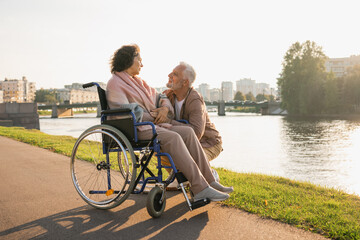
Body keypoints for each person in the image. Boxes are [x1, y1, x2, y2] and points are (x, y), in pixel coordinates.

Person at [106, 44, 233, 202]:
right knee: (173, 138)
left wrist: (164, 110)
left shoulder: (139, 82)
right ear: (129, 59)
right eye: (139, 59)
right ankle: (200, 188)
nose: (142, 64)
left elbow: (161, 97)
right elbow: (126, 113)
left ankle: (210, 181)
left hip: (150, 125)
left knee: (188, 132)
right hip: (135, 129)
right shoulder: (115, 83)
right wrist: (154, 116)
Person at [164, 62, 223, 185]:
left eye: (175, 74)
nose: (169, 75)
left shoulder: (195, 99)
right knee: (160, 149)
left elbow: (196, 133)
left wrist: (169, 122)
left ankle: (210, 175)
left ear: (185, 82)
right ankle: (180, 176)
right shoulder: (168, 95)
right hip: (185, 144)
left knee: (188, 158)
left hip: (208, 143)